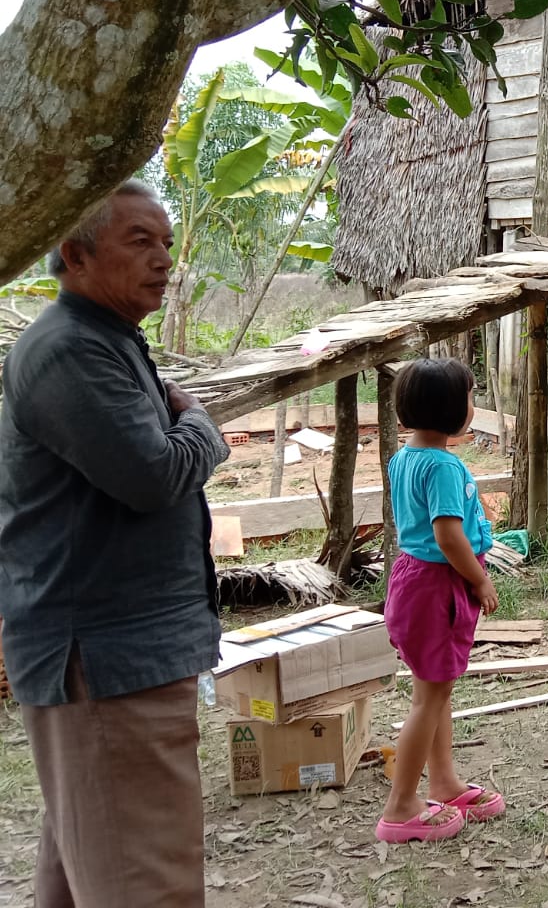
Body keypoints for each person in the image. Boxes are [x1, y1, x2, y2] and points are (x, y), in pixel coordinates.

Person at [0, 180, 232, 908]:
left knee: (85, 874)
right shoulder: (69, 350)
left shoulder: (102, 341)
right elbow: (154, 473)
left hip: (118, 657)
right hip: (109, 663)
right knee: (145, 885)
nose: (163, 258)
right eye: (140, 241)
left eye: (165, 242)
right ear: (73, 254)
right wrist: (201, 423)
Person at [376, 357, 504, 844]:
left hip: (412, 579)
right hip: (439, 585)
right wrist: (480, 581)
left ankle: (444, 782)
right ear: (455, 409)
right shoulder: (445, 465)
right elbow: (449, 536)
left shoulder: (403, 457)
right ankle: (401, 806)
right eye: (471, 396)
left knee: (435, 691)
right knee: (428, 700)